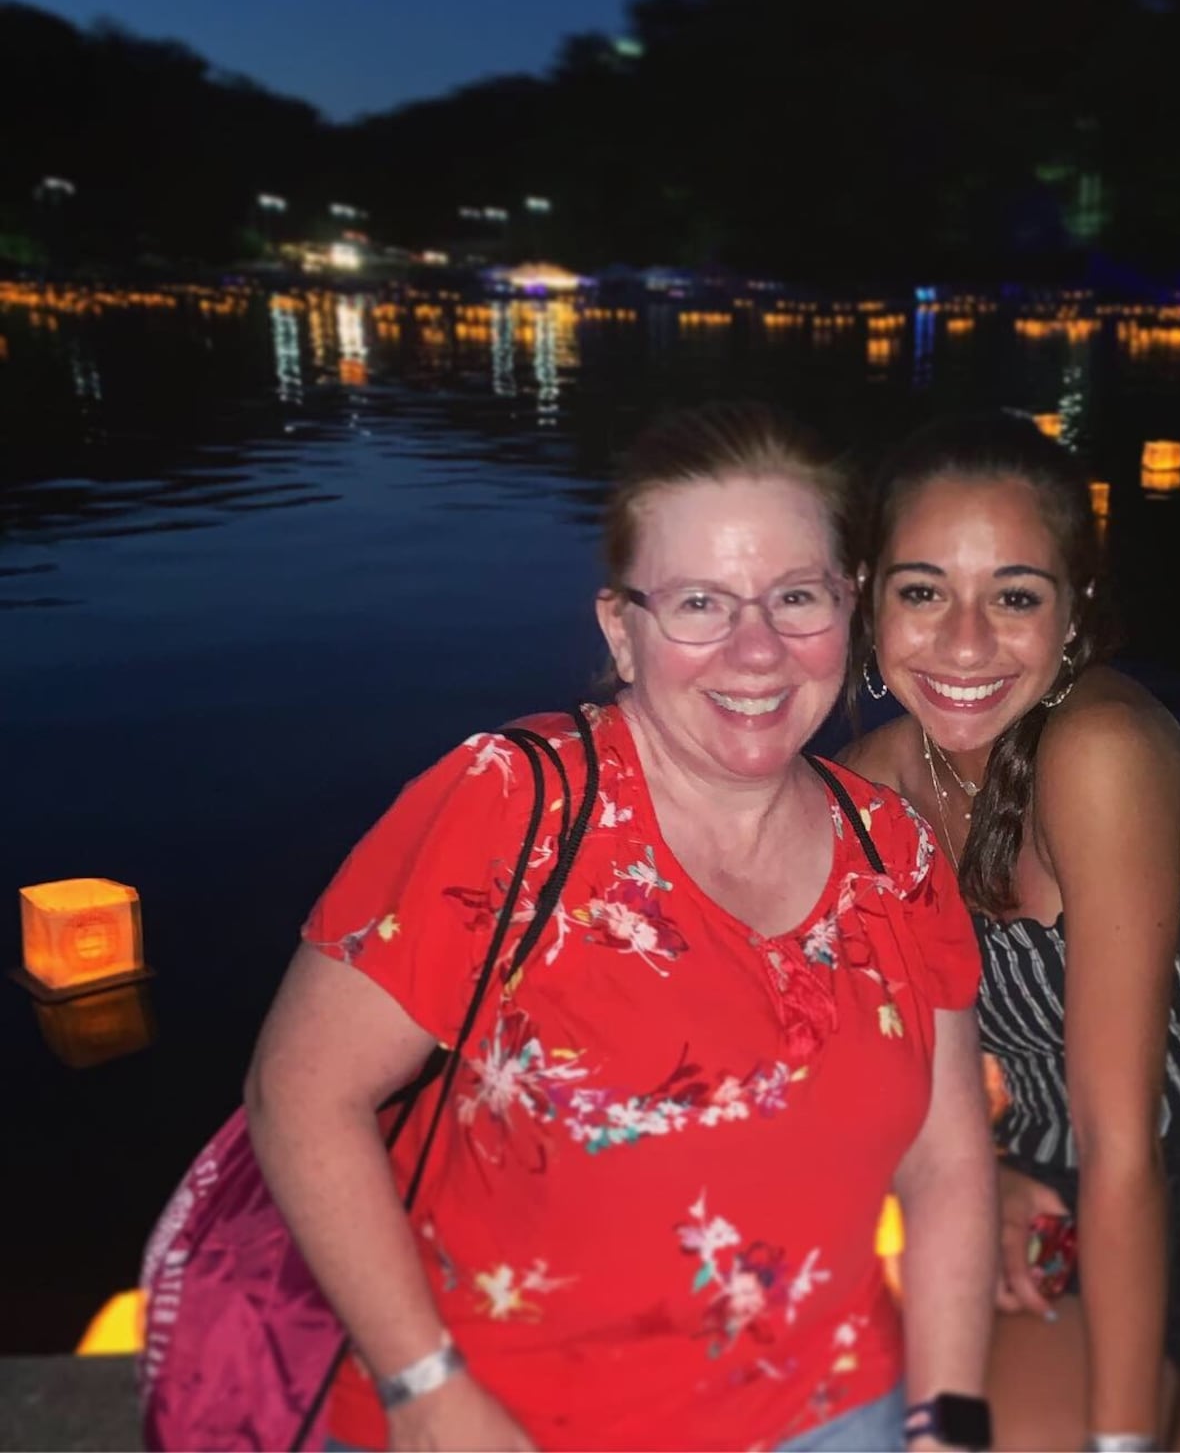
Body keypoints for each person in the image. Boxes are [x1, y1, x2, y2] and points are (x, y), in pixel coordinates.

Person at [246, 402, 998, 1453]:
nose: (756, 650)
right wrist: (424, 1387)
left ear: (850, 607)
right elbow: (300, 1090)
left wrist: (947, 1417)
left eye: (796, 598)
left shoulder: (898, 858)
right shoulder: (511, 807)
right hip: (504, 1422)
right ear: (620, 628)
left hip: (832, 1415)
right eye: (699, 602)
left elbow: (947, 1161)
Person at [839, 414, 1180, 1451]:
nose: (964, 641)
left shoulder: (1100, 751)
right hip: (1055, 1209)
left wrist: (1120, 1439)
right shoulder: (870, 792)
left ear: (1074, 611)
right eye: (922, 591)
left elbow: (1124, 1141)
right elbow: (836, 1056)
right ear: (867, 595)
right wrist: (984, 1167)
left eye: (1014, 595)